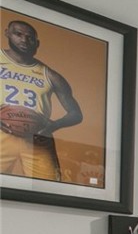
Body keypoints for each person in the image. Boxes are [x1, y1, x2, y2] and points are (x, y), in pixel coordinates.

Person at [0, 19, 83, 181]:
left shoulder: (50, 75)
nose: (24, 40)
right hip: (3, 133)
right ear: (6, 34)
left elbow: (76, 113)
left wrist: (53, 125)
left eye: (30, 37)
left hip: (38, 137)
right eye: (18, 34)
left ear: (37, 43)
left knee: (48, 190)